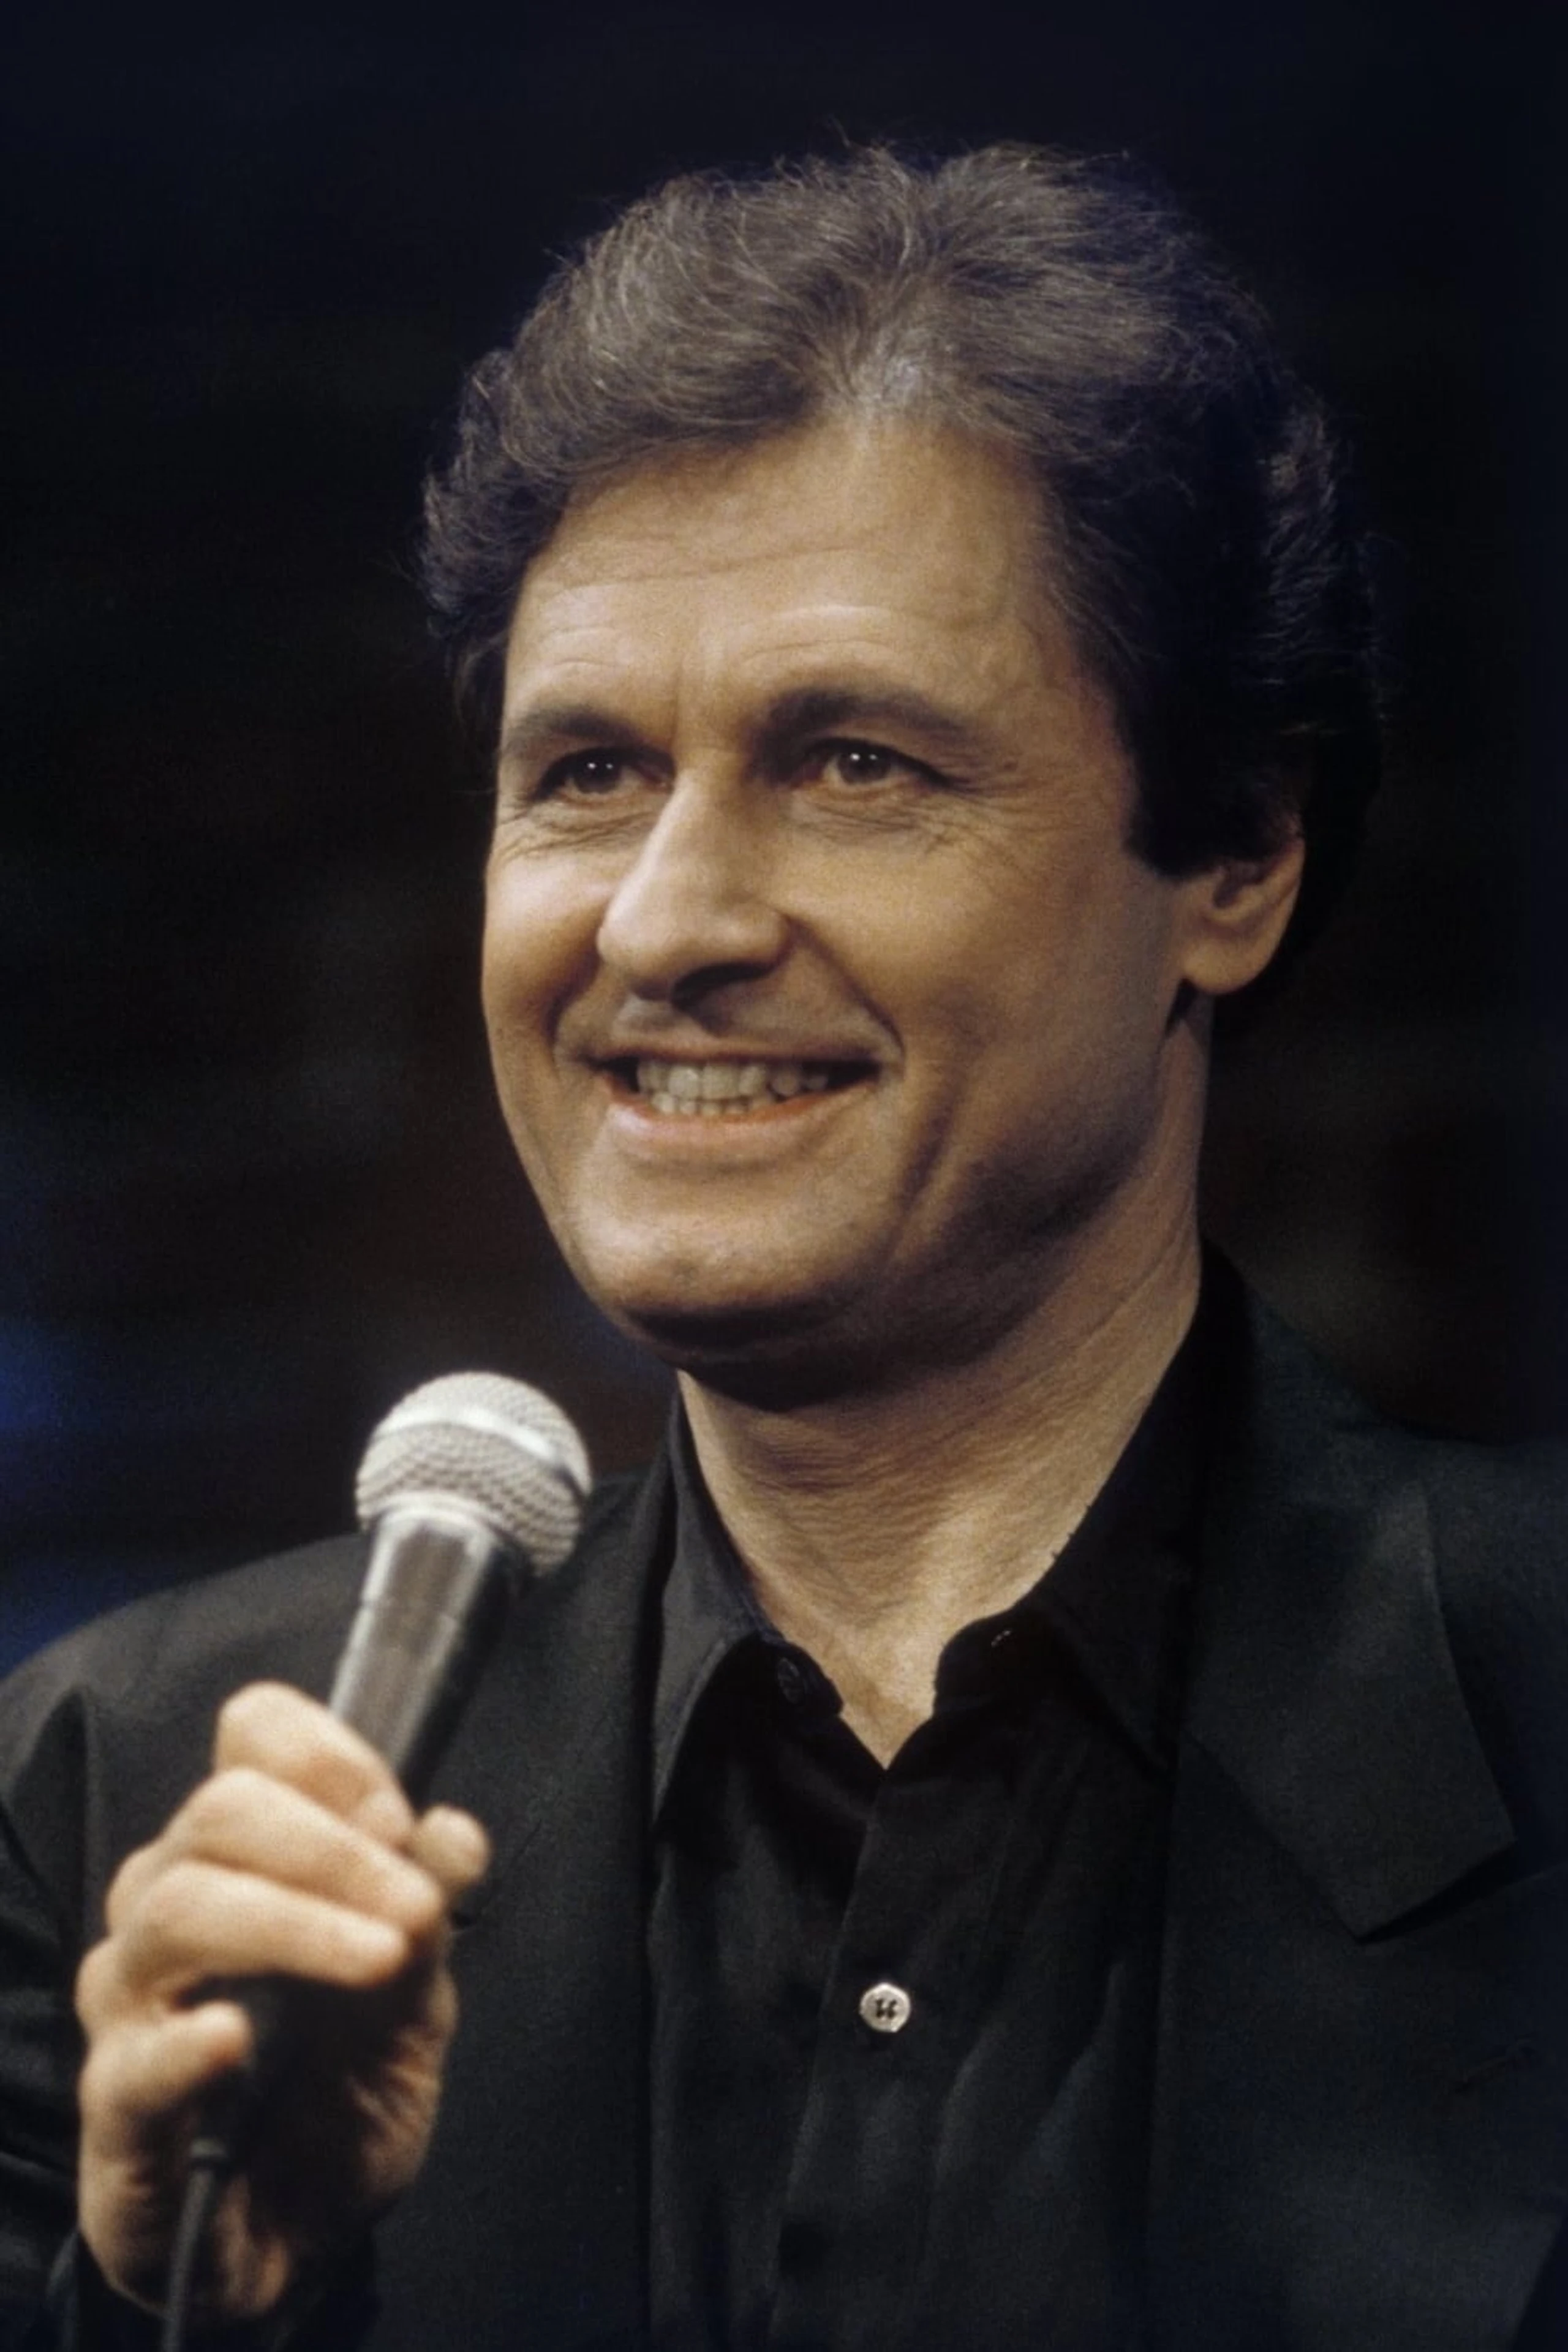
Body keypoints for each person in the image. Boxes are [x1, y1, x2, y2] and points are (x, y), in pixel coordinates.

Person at [2, 143, 1565, 2352]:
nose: (665, 924)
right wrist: (208, 2316)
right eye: (585, 773)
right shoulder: (113, 1807)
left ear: (1234, 859)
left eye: (853, 763)